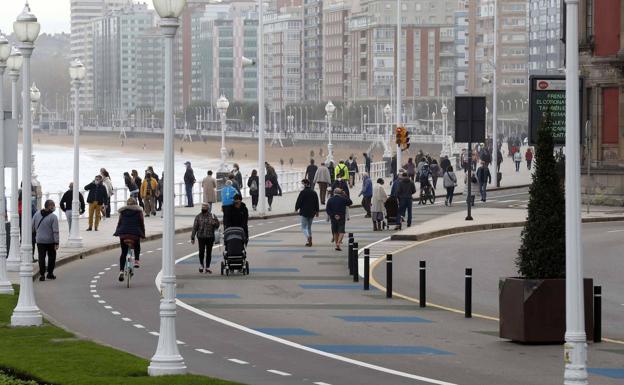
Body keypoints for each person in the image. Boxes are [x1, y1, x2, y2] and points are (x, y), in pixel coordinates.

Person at [113, 197, 145, 281]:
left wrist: (117, 232)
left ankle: (121, 271)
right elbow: (141, 223)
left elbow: (119, 223)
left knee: (123, 252)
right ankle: (137, 261)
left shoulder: (122, 212)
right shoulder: (139, 212)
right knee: (137, 245)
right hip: (134, 234)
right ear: (136, 204)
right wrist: (143, 234)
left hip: (123, 234)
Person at [32, 199, 59, 281]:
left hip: (39, 240)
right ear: (49, 206)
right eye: (53, 206)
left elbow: (32, 225)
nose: (54, 207)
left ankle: (42, 274)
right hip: (50, 241)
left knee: (41, 257)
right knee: (52, 257)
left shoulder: (37, 214)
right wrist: (57, 242)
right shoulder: (53, 217)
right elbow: (55, 231)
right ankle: (50, 273)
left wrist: (36, 234)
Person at [191, 203, 220, 274]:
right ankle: (201, 265)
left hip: (210, 237)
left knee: (209, 252)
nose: (203, 209)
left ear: (208, 208)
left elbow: (217, 225)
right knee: (201, 251)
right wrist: (192, 237)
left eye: (205, 207)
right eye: (202, 207)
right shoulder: (198, 217)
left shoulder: (212, 216)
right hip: (201, 237)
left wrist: (214, 223)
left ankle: (207, 267)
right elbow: (195, 227)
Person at [295, 179, 319, 247]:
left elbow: (299, 201)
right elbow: (316, 202)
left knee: (303, 227)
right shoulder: (314, 192)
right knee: (309, 227)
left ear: (304, 184)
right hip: (312, 212)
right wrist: (317, 211)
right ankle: (309, 240)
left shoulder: (303, 192)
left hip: (304, 211)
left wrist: (296, 208)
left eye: (302, 184)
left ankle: (308, 237)